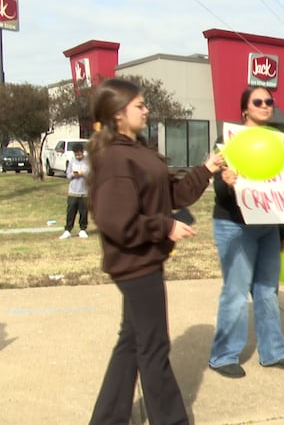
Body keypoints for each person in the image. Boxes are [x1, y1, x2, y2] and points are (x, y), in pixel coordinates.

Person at [86, 78, 223, 424]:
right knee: (154, 348)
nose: (147, 111)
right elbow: (117, 221)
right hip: (135, 264)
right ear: (118, 113)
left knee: (132, 343)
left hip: (144, 260)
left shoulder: (138, 150)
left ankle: (107, 419)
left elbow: (171, 195)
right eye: (140, 106)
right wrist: (165, 227)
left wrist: (206, 170)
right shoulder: (115, 158)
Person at [208, 86, 284, 379]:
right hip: (234, 224)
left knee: (267, 290)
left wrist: (282, 231)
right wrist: (226, 181)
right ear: (244, 109)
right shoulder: (227, 140)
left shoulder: (279, 142)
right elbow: (220, 188)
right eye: (258, 101)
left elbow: (281, 190)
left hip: (267, 225)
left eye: (269, 101)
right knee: (236, 292)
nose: (265, 105)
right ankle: (223, 356)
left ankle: (273, 351)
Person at [59, 142, 90, 239]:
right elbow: (68, 175)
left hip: (84, 192)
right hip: (73, 192)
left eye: (79, 154)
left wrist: (83, 173)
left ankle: (83, 229)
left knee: (83, 212)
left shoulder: (88, 161)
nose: (77, 156)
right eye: (76, 154)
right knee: (70, 212)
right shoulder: (72, 161)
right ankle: (68, 230)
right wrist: (73, 174)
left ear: (82, 152)